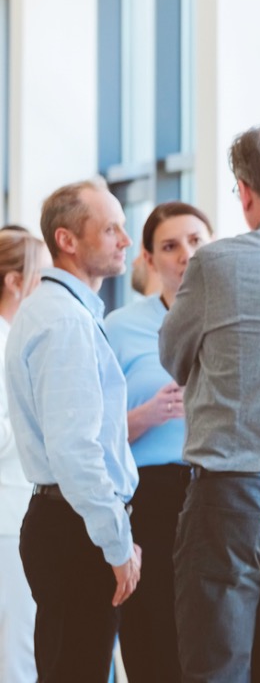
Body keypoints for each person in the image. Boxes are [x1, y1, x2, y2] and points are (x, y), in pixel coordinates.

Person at [159, 123, 260, 682]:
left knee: (216, 670)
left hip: (231, 502)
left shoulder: (217, 263)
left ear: (246, 192)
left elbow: (175, 357)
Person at [7, 179, 142, 682]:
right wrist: (116, 543)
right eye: (110, 229)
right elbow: (77, 451)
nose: (125, 240)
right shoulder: (64, 322)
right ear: (67, 240)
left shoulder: (58, 311)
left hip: (69, 521)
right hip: (74, 527)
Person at [105, 202, 212, 683]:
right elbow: (93, 436)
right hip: (149, 498)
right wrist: (147, 416)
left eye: (196, 241)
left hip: (220, 492)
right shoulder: (118, 328)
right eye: (170, 246)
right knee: (153, 636)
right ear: (148, 259)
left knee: (215, 637)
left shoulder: (234, 317)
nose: (186, 254)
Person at [0, 229, 49, 683]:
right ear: (16, 281)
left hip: (14, 508)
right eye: (39, 274)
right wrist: (42, 427)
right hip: (7, 513)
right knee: (17, 647)